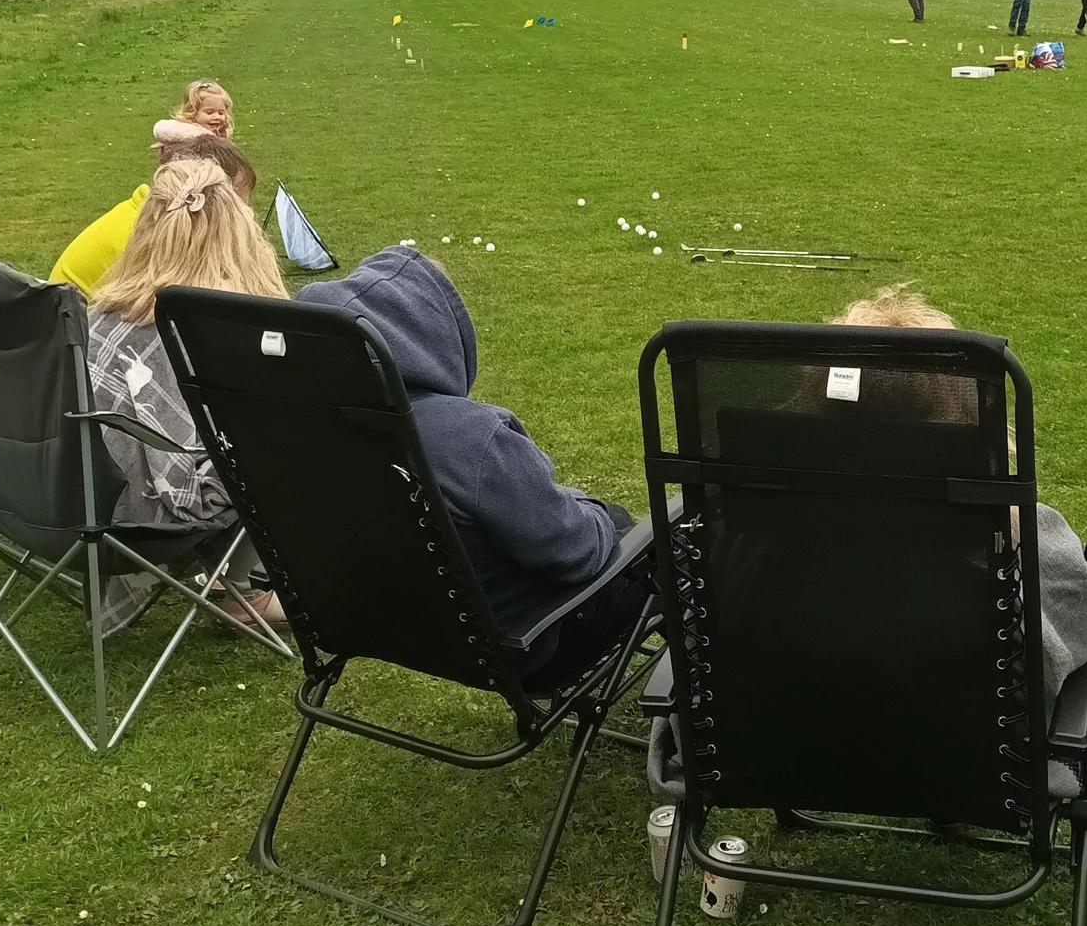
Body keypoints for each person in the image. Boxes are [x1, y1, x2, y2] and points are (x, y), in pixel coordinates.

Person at [297, 245, 645, 675]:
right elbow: (575, 553)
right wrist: (593, 510)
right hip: (528, 644)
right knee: (654, 535)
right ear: (430, 336)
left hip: (385, 627)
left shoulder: (295, 433)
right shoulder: (472, 439)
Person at [825, 284, 1087, 708]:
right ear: (969, 419)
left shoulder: (753, 530)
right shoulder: (1015, 527)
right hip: (977, 764)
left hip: (774, 765)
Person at [87, 156, 291, 630]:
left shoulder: (100, 313)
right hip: (161, 513)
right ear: (236, 231)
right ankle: (250, 590)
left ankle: (238, 580)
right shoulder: (221, 322)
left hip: (82, 500)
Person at [52, 132, 256, 294]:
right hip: (77, 336)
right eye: (237, 206)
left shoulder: (157, 213)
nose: (245, 216)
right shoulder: (146, 235)